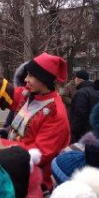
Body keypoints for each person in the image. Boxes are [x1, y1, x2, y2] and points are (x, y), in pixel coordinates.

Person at [7, 53, 71, 190]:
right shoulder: (31, 96)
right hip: (15, 169)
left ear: (43, 79)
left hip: (35, 182)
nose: (25, 79)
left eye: (30, 75)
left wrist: (2, 147)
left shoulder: (55, 112)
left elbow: (41, 153)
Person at [69, 70, 99, 143]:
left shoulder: (81, 93)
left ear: (78, 79)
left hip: (81, 132)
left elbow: (80, 113)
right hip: (91, 129)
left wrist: (74, 131)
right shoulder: (93, 91)